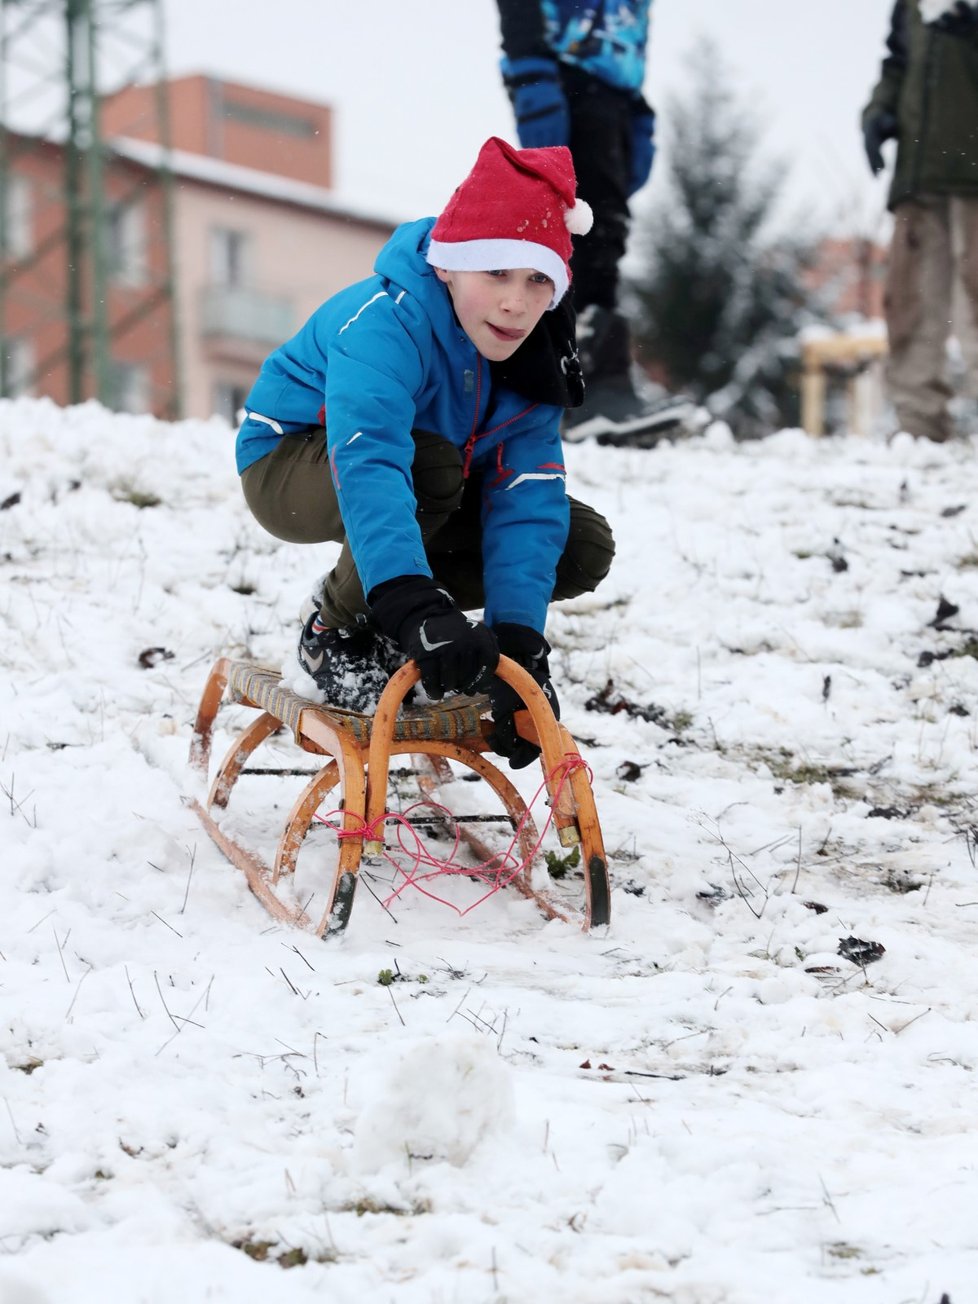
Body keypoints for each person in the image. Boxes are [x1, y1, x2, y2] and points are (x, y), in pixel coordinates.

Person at [234, 136, 616, 769]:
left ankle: (392, 609)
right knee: (426, 464)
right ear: (448, 265)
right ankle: (333, 629)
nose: (516, 302)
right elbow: (371, 459)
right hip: (292, 464)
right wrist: (410, 603)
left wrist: (517, 647)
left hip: (425, 481)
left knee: (579, 544)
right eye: (495, 271)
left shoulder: (536, 354)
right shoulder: (387, 321)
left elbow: (526, 497)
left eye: (537, 280)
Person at [494, 0, 698, 447]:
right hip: (564, 74)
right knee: (581, 227)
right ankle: (578, 382)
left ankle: (588, 379)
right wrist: (530, 71)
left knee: (606, 230)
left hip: (614, 88)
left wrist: (635, 103)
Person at [862, 0, 978, 442]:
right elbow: (898, 62)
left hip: (974, 174)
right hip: (919, 174)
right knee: (910, 305)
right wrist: (877, 112)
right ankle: (918, 427)